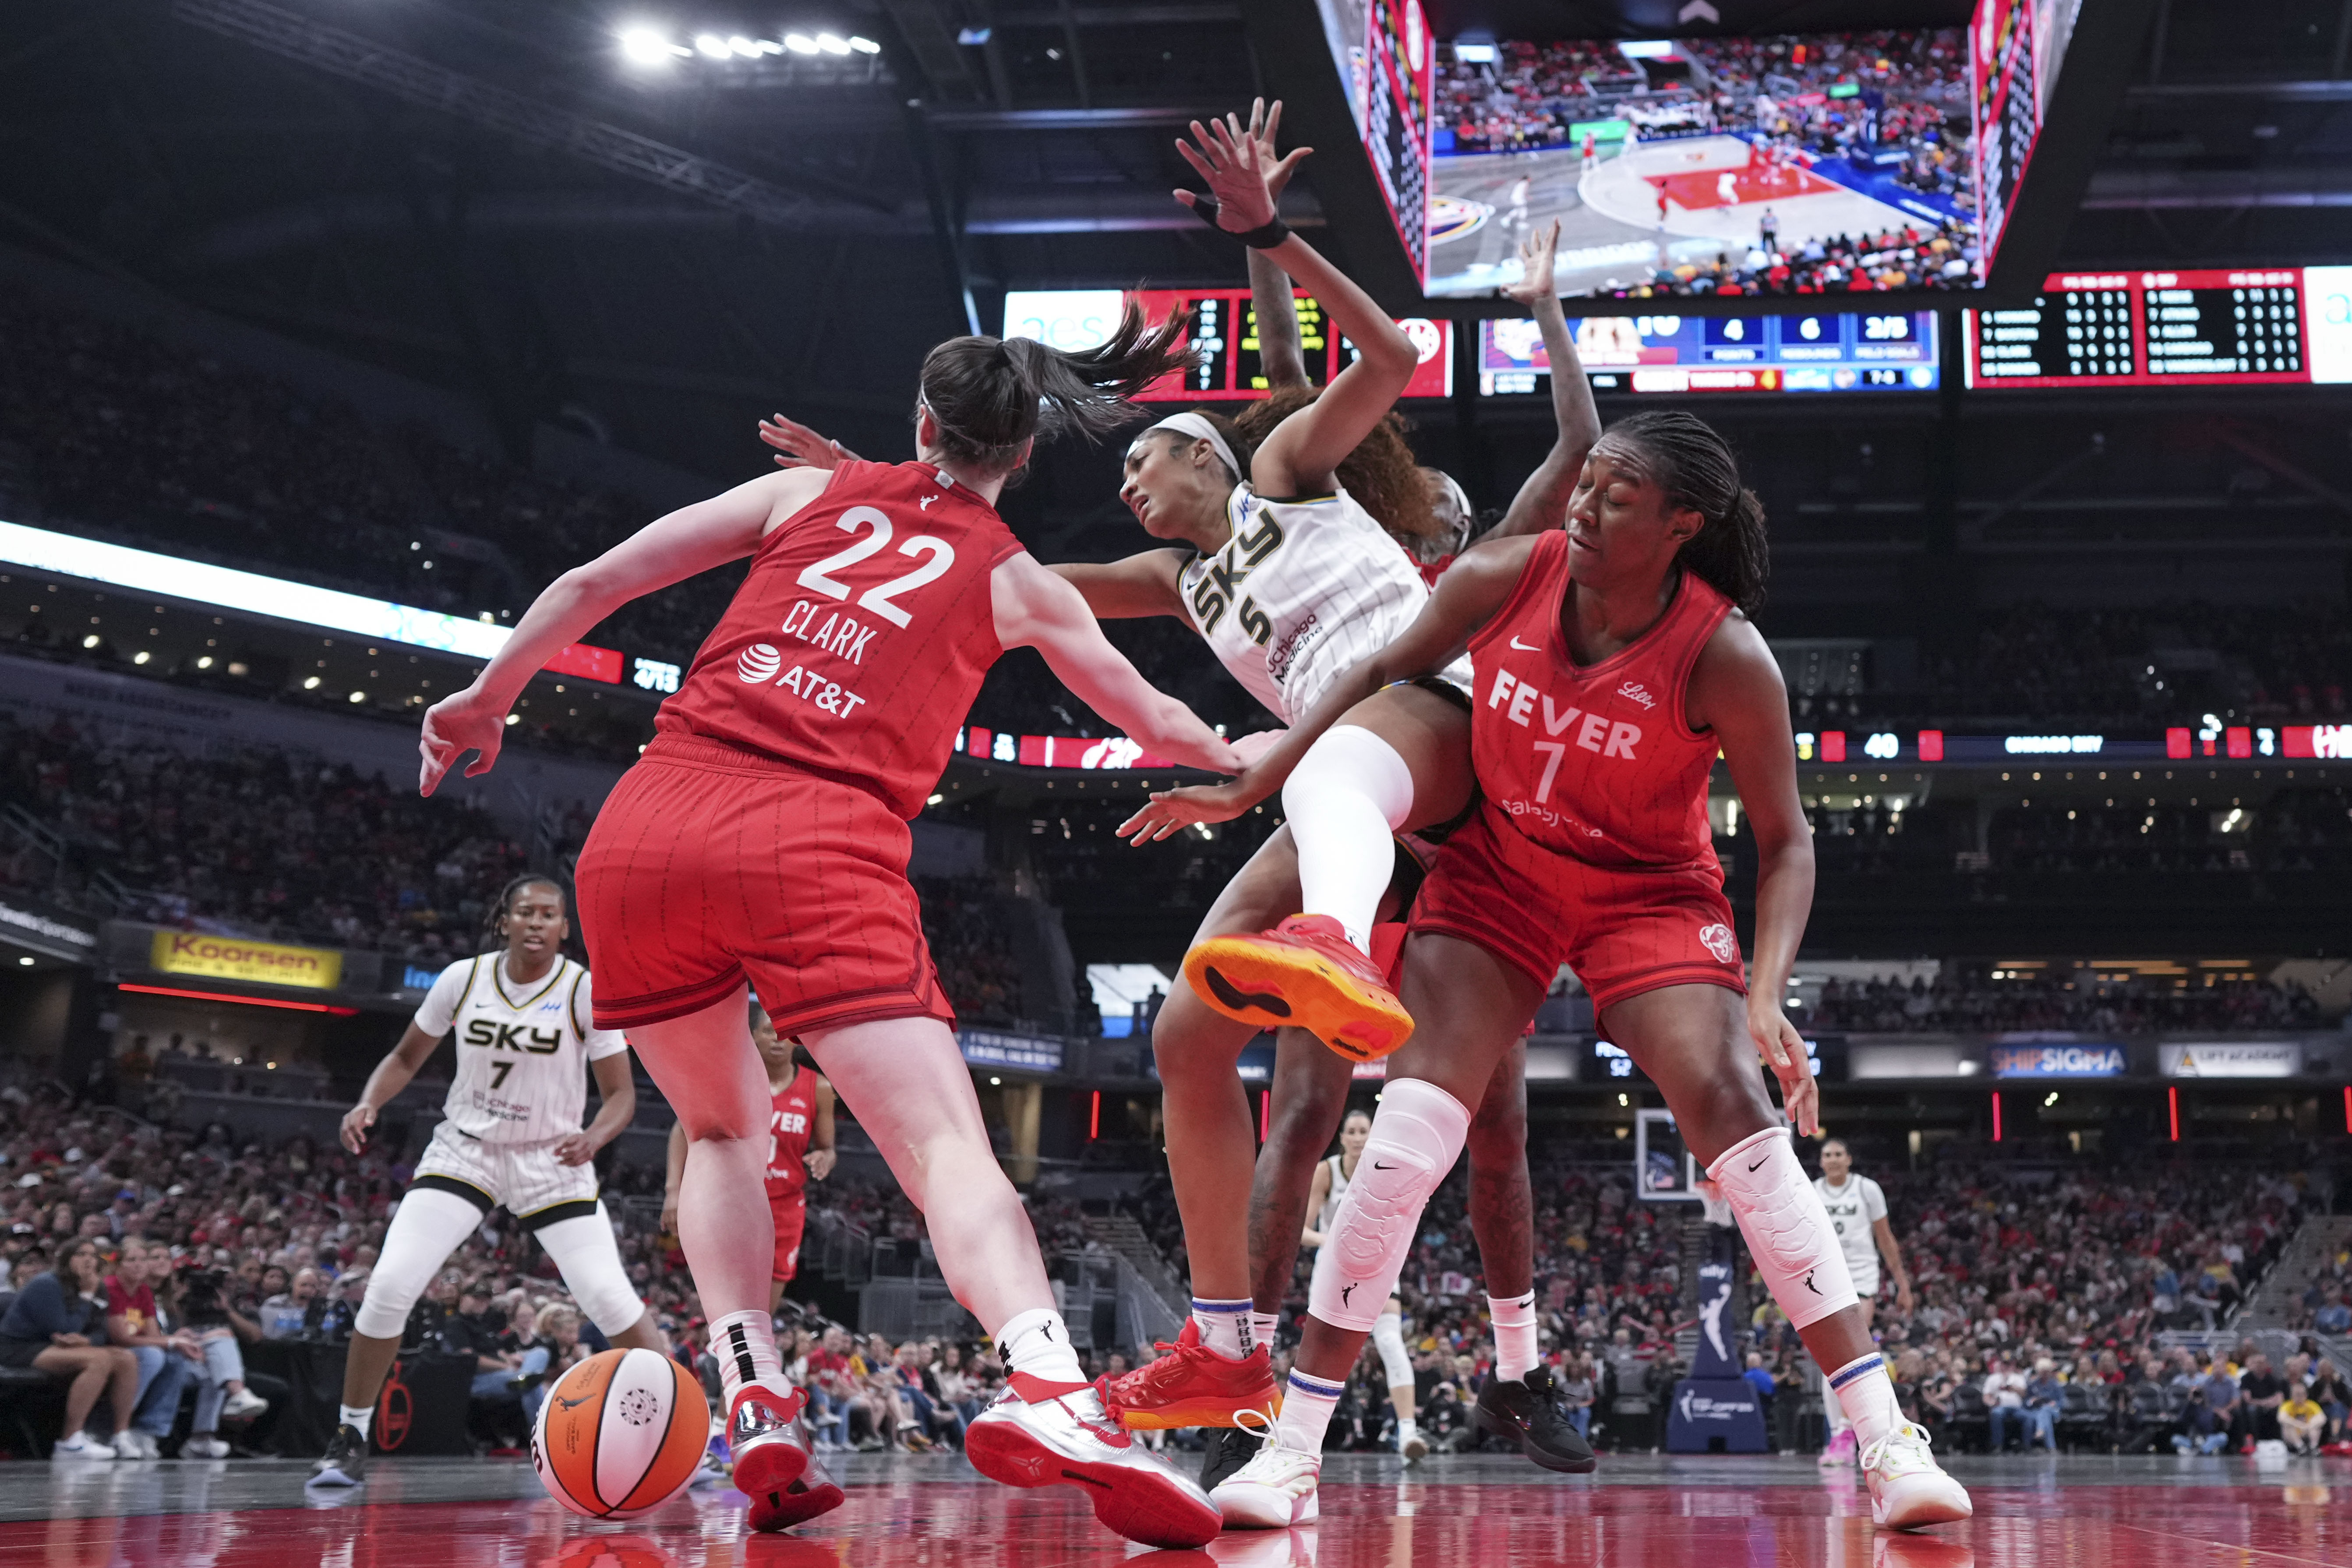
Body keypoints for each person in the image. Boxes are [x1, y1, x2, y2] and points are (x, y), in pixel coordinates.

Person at [411, 198, 1240, 1546]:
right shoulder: (1020, 579)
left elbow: (590, 579)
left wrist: (485, 698)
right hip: (815, 837)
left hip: (648, 827)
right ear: (1023, 453)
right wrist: (1253, 752)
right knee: (941, 1147)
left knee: (726, 1130)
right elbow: (1154, 723)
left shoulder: (805, 490)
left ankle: (757, 1400)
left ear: (918, 425)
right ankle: (1048, 1383)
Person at [1120, 409, 1972, 1532]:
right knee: (1411, 1129)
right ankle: (1289, 1453)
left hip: (1648, 893)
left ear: (1682, 524)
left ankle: (1886, 1436)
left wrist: (1766, 991)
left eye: (1616, 494)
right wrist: (1258, 776)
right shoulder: (1501, 575)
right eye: (1589, 481)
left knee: (1731, 1102)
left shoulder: (1725, 652)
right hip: (1499, 873)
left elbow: (1789, 837)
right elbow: (1382, 668)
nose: (1584, 500)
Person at [309, 875, 665, 1489]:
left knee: (609, 1299)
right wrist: (369, 1102)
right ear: (504, 921)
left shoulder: (584, 989)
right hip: (465, 1151)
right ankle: (349, 1433)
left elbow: (620, 1098)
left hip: (551, 1157)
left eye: (548, 915)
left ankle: (690, 1428)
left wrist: (596, 1137)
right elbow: (404, 1058)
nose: (535, 922)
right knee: (390, 1284)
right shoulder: (462, 978)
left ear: (563, 928)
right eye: (524, 912)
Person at [661, 1004, 834, 1315]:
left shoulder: (819, 1087)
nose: (779, 1040)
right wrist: (674, 1191)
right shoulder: (727, 1076)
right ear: (753, 1035)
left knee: (760, 1315)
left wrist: (824, 1157)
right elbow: (681, 1129)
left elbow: (828, 1147)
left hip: (784, 1206)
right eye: (770, 1031)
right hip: (730, 1199)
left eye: (788, 1033)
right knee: (719, 1308)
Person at [1298, 1109, 1426, 1459]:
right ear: (1342, 1138)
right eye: (1351, 1131)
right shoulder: (1327, 1171)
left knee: (1389, 1340)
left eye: (1363, 1131)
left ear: (1373, 1136)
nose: (1357, 1137)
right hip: (1333, 1262)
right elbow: (1304, 1230)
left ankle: (1408, 1434)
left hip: (1378, 1261)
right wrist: (1335, 1242)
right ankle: (1301, 1439)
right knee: (1323, 1349)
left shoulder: (1388, 1170)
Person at [1813, 1137, 1913, 1466]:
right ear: (1821, 1161)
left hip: (1861, 1276)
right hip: (1825, 1275)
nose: (1833, 1159)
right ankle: (1838, 1432)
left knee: (1851, 1349)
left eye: (1839, 1154)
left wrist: (1902, 1284)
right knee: (1830, 1361)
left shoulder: (1867, 1189)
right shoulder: (1812, 1190)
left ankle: (1845, 1431)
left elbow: (1885, 1238)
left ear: (1849, 1159)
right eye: (1827, 1154)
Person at [0, 1236, 137, 1459]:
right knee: (99, 1360)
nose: (88, 1261)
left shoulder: (97, 1287)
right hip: (19, 1348)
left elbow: (101, 1332)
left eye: (93, 1256)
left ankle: (120, 1434)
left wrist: (88, 1342)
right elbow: (62, 1329)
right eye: (81, 1255)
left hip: (57, 1347)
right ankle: (70, 1440)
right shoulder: (46, 1284)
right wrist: (86, 1296)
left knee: (125, 1358)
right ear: (66, 1259)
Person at [101, 1236, 196, 1459]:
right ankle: (113, 1428)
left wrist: (177, 1343)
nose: (138, 1265)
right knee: (153, 1356)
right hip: (108, 1348)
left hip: (135, 1348)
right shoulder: (111, 1287)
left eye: (143, 1260)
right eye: (132, 1260)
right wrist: (173, 1341)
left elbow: (154, 1336)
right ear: (118, 1265)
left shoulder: (143, 1291)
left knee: (175, 1360)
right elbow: (121, 1337)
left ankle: (148, 1431)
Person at [2281, 1381, 2327, 1455]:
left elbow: (2322, 1418)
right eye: (2297, 1395)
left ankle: (2313, 1448)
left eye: (2302, 1394)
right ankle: (2300, 1447)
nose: (2300, 1397)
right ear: (2292, 1395)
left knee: (2316, 1425)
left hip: (2307, 1433)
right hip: (2293, 1436)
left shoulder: (2312, 1405)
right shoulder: (2287, 1405)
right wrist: (2299, 1425)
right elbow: (2282, 1418)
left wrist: (2309, 1426)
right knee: (2287, 1425)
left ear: (2306, 1395)